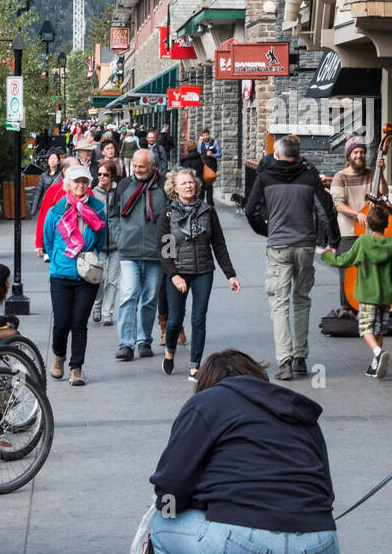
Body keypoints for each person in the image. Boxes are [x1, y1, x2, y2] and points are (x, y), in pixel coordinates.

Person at [149, 348, 339, 554]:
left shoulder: (204, 404)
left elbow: (170, 488)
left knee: (161, 525)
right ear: (258, 377)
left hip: (242, 546)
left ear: (207, 382)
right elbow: (323, 490)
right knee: (285, 542)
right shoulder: (295, 408)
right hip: (319, 549)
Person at [245, 135, 340, 381]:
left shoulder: (265, 178)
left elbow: (250, 210)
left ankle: (284, 362)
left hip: (278, 245)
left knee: (279, 304)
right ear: (298, 155)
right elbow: (326, 209)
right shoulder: (309, 177)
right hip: (305, 245)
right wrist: (333, 242)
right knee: (301, 300)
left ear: (277, 155)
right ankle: (300, 358)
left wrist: (266, 230)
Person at [157, 168, 240, 380]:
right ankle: (170, 351)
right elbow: (165, 250)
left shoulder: (208, 211)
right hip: (178, 272)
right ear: (175, 189)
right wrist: (174, 275)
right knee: (175, 319)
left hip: (204, 270)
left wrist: (230, 274)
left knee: (199, 319)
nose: (188, 186)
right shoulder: (168, 214)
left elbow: (219, 245)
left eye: (191, 182)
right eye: (183, 183)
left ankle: (195, 365)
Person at [321, 203, 392, 378]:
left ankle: (378, 352)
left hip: (367, 295)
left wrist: (327, 255)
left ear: (367, 224)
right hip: (386, 296)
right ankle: (375, 365)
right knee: (379, 329)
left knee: (365, 329)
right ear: (387, 224)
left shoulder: (363, 242)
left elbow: (344, 261)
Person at [43, 163, 106, 387]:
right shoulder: (56, 211)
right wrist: (63, 257)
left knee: (79, 322)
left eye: (84, 182)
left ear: (88, 185)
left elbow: (100, 239)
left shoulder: (98, 208)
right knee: (61, 322)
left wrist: (85, 257)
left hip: (86, 275)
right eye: (76, 181)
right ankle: (59, 355)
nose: (80, 185)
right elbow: (48, 242)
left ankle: (76, 368)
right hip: (61, 274)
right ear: (67, 184)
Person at [114, 149, 167, 361]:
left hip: (156, 252)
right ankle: (126, 343)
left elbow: (171, 218)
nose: (136, 170)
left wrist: (168, 253)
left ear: (153, 166)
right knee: (128, 295)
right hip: (129, 251)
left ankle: (144, 339)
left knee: (150, 298)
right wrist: (119, 237)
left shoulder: (164, 186)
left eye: (141, 167)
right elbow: (112, 214)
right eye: (134, 166)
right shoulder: (125, 185)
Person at [329, 135, 389, 308]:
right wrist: (357, 214)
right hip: (348, 231)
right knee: (348, 272)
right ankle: (348, 308)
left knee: (370, 271)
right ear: (349, 156)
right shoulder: (340, 177)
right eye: (355, 152)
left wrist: (382, 174)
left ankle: (368, 306)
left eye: (362, 152)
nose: (359, 155)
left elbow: (383, 196)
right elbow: (339, 205)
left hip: (370, 230)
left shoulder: (372, 175)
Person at [91, 158, 121, 326]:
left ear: (112, 176)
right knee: (98, 278)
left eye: (105, 175)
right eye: (99, 174)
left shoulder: (120, 192)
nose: (101, 177)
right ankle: (97, 306)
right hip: (99, 243)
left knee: (112, 280)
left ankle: (107, 313)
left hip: (116, 243)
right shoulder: (93, 194)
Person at [35, 156, 77, 261]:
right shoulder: (54, 190)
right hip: (59, 242)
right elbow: (44, 216)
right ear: (65, 171)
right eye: (75, 168)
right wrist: (39, 242)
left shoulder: (87, 190)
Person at [30, 150, 63, 218]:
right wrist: (33, 209)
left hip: (59, 202)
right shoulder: (44, 175)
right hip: (47, 202)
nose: (52, 160)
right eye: (50, 158)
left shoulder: (62, 174)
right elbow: (38, 192)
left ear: (58, 161)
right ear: (48, 161)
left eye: (54, 158)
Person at [197, 127, 221, 205]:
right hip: (203, 167)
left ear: (209, 135)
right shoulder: (200, 144)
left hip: (212, 167)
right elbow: (198, 154)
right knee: (202, 184)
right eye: (204, 136)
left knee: (209, 184)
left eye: (206, 135)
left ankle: (210, 203)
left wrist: (212, 155)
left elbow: (219, 154)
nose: (205, 137)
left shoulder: (214, 142)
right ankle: (200, 202)